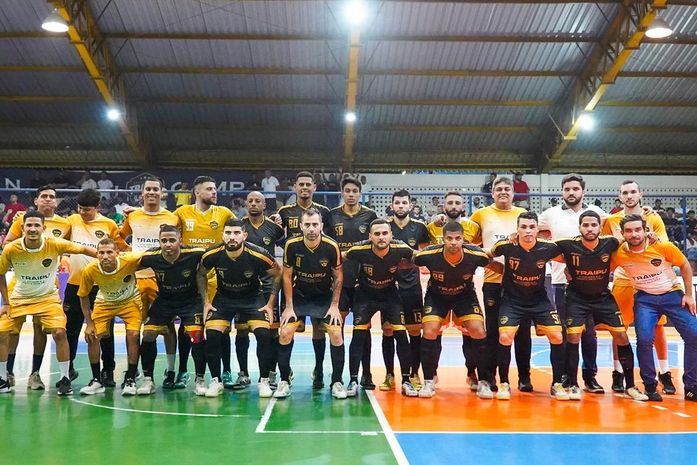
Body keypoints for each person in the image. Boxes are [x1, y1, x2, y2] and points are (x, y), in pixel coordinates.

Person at [555, 211, 647, 401]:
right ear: (579, 228)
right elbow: (541, 246)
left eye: (593, 225)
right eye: (585, 225)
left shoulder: (610, 242)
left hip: (603, 297)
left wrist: (651, 236)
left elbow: (632, 240)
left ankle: (630, 386)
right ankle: (572, 384)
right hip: (576, 298)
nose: (590, 229)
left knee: (621, 336)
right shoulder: (567, 244)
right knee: (573, 336)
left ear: (599, 227)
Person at [0, 211, 96, 395]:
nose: (33, 229)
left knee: (60, 332)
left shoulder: (55, 243)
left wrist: (107, 257)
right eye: (29, 225)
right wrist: (5, 303)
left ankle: (65, 378)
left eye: (37, 225)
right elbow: (0, 273)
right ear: (22, 228)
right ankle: (3, 378)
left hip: (47, 298)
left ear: (43, 228)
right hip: (19, 298)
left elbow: (83, 250)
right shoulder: (11, 249)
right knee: (2, 332)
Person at [612, 214, 697, 402]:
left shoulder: (663, 246)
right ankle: (650, 386)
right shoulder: (619, 253)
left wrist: (689, 295)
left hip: (672, 295)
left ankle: (691, 386)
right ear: (623, 233)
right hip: (645, 299)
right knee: (644, 340)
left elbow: (684, 265)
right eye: (629, 231)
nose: (634, 234)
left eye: (638, 229)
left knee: (694, 335)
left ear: (645, 230)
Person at [601, 180, 673, 394]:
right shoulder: (611, 220)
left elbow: (664, 245)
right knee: (618, 328)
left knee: (657, 327)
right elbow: (604, 243)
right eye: (625, 192)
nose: (629, 196)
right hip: (624, 277)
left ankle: (665, 372)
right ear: (619, 196)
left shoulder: (654, 217)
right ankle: (618, 373)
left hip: (650, 279)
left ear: (640, 194)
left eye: (633, 192)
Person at [537, 173, 606, 393]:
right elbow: (528, 229)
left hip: (591, 283)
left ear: (583, 191)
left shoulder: (596, 213)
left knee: (589, 334)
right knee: (566, 332)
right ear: (562, 192)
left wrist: (647, 212)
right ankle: (566, 376)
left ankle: (590, 377)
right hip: (561, 282)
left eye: (575, 189)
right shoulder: (551, 214)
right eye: (567, 189)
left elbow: (619, 225)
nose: (571, 192)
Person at [198, 219, 281, 398]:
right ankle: (216, 381)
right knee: (212, 335)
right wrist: (206, 302)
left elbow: (277, 274)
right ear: (222, 235)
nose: (232, 237)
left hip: (252, 298)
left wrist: (270, 303)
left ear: (244, 235)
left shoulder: (259, 254)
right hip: (224, 298)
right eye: (228, 233)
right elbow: (201, 274)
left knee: (263, 334)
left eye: (236, 233)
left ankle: (264, 381)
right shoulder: (212, 254)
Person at [488, 212, 566, 401]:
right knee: (505, 337)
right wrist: (500, 269)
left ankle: (557, 384)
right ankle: (504, 383)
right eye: (523, 227)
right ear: (517, 229)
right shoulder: (506, 245)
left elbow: (567, 258)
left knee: (557, 336)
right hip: (512, 300)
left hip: (539, 300)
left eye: (532, 227)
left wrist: (571, 273)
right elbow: (487, 255)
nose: (528, 231)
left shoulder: (548, 248)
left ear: (538, 229)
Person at [3, 185, 71, 390]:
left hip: (47, 284)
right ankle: (8, 373)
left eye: (52, 197)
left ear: (56, 202)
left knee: (40, 330)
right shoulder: (22, 220)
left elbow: (68, 247)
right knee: (12, 331)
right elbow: (7, 244)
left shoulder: (65, 223)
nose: (48, 199)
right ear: (36, 200)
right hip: (21, 282)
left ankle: (35, 374)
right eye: (44, 196)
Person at [414, 222, 493, 398]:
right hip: (437, 297)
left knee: (478, 331)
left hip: (464, 297)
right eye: (449, 238)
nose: (453, 242)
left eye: (458, 238)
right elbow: (410, 259)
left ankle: (483, 381)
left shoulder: (475, 254)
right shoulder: (429, 254)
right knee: (430, 331)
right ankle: (428, 381)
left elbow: (493, 262)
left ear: (463, 239)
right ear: (443, 239)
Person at [277, 209, 346, 399]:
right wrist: (289, 306)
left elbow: (338, 276)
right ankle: (284, 379)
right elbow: (287, 276)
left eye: (315, 224)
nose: (311, 229)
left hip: (323, 297)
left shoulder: (331, 246)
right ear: (300, 226)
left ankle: (336, 381)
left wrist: (334, 306)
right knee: (285, 332)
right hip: (299, 296)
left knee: (336, 333)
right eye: (307, 224)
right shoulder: (291, 245)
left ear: (321, 226)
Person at [173, 176, 236, 388]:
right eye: (209, 189)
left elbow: (241, 228)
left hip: (217, 279)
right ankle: (183, 370)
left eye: (215, 188)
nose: (214, 192)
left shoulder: (224, 213)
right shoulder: (182, 213)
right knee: (188, 328)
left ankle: (226, 371)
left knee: (221, 328)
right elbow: (165, 228)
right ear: (197, 192)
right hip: (189, 279)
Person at [469, 177, 530, 392]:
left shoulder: (523, 214)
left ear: (514, 192)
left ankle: (524, 377)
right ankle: (490, 377)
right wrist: (487, 261)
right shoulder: (481, 214)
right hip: (493, 282)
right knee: (493, 331)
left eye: (507, 189)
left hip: (521, 283)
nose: (503, 192)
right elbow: (469, 243)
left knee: (522, 332)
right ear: (492, 193)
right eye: (499, 189)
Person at [344, 219, 416, 397]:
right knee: (358, 335)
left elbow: (419, 257)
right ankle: (353, 380)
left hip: (390, 295)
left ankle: (406, 380)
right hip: (365, 295)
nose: (381, 237)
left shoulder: (401, 248)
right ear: (370, 236)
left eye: (385, 233)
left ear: (391, 235)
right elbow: (339, 257)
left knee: (401, 334)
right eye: (377, 234)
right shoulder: (359, 249)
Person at [119, 178, 179, 388]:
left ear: (162, 193)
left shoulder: (172, 217)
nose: (152, 192)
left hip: (162, 279)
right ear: (142, 193)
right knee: (134, 327)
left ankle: (170, 370)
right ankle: (133, 370)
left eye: (155, 189)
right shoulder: (133, 216)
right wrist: (128, 252)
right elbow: (119, 236)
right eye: (148, 189)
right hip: (136, 278)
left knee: (167, 325)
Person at [64, 188, 126, 388]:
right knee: (70, 330)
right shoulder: (71, 221)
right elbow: (52, 232)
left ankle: (108, 371)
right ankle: (68, 369)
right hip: (75, 284)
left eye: (87, 209)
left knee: (105, 331)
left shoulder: (109, 224)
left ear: (98, 207)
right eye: (80, 208)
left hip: (102, 285)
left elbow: (120, 249)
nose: (83, 212)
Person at [137, 225, 207, 395]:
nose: (168, 244)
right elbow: (127, 266)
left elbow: (215, 256)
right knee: (148, 334)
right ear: (159, 242)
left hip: (191, 301)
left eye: (172, 240)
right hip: (165, 300)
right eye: (164, 240)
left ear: (180, 241)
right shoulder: (150, 257)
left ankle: (200, 380)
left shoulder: (195, 253)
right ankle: (148, 380)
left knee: (196, 335)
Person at [325, 178, 378, 390]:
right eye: (347, 191)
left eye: (355, 191)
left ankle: (366, 374)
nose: (351, 194)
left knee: (364, 330)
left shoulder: (370, 216)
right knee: (336, 329)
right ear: (342, 193)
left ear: (360, 193)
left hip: (364, 283)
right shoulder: (332, 215)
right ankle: (337, 376)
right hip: (340, 282)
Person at [77, 238, 143, 395]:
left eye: (109, 252)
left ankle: (131, 378)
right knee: (92, 336)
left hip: (130, 301)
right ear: (97, 254)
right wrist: (89, 323)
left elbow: (153, 256)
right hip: (104, 302)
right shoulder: (90, 270)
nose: (105, 256)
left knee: (133, 335)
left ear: (117, 253)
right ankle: (96, 380)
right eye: (101, 253)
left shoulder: (130, 260)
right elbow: (83, 296)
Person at [384, 190, 429, 390]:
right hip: (388, 288)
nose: (400, 206)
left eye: (404, 203)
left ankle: (414, 373)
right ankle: (389, 374)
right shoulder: (385, 228)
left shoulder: (420, 228)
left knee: (415, 331)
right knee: (388, 330)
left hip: (412, 288)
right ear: (391, 205)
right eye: (397, 203)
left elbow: (424, 256)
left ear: (410, 205)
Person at [239, 192, 285, 388]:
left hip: (268, 288)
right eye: (250, 201)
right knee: (242, 332)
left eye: (258, 201)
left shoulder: (274, 228)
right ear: (245, 204)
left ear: (264, 205)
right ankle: (243, 373)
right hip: (243, 288)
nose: (253, 204)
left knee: (270, 333)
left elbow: (287, 246)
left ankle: (270, 373)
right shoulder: (239, 226)